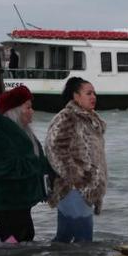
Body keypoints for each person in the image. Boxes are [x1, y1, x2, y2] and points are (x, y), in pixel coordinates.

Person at [0, 85, 52, 243]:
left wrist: (48, 181)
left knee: (25, 234)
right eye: (28, 108)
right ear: (16, 110)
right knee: (17, 235)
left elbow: (40, 161)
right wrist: (33, 165)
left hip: (19, 198)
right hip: (4, 198)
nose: (32, 112)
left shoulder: (25, 132)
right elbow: (1, 167)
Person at [45, 77, 107, 243]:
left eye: (94, 93)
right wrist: (76, 177)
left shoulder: (90, 120)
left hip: (83, 190)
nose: (93, 96)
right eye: (88, 93)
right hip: (74, 190)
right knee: (84, 242)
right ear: (76, 96)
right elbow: (54, 148)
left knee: (63, 241)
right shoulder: (67, 117)